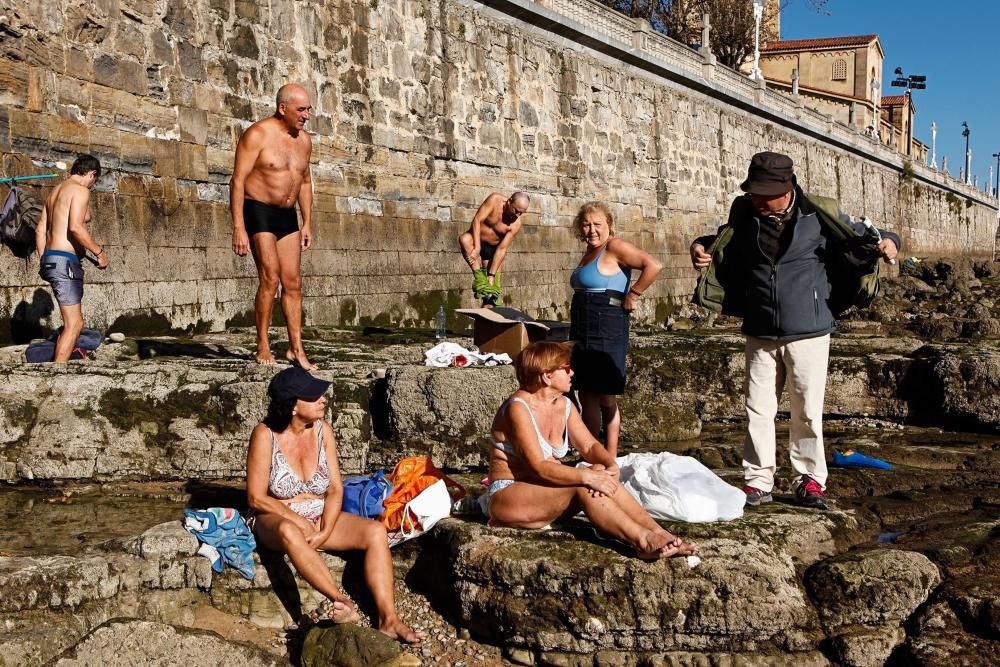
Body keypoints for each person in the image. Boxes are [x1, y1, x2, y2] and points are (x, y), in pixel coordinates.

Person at [690, 151, 900, 510]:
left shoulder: (818, 214)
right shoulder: (744, 213)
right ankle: (757, 481)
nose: (756, 199)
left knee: (806, 410)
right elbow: (722, 242)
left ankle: (810, 480)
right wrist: (700, 245)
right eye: (753, 192)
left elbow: (869, 234)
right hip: (760, 327)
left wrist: (892, 241)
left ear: (786, 189)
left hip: (810, 329)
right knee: (757, 408)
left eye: (763, 193)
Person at [246, 367, 425, 643]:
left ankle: (389, 619)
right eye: (313, 395)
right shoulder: (264, 434)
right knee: (289, 531)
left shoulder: (322, 431)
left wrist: (326, 530)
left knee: (376, 532)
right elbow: (257, 497)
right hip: (275, 515)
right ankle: (342, 602)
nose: (323, 398)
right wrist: (298, 521)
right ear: (293, 405)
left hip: (319, 513)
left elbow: (334, 489)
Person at [485, 341, 695, 559]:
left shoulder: (564, 405)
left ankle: (659, 533)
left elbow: (589, 445)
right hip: (509, 493)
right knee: (586, 483)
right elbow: (538, 466)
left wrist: (610, 463)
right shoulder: (518, 408)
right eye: (566, 368)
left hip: (544, 491)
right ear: (547, 376)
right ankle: (643, 541)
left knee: (596, 470)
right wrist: (588, 476)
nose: (572, 372)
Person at [230, 83, 316, 369]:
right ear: (283, 108)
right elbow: (238, 181)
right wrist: (238, 227)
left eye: (308, 109)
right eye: (301, 109)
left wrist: (307, 223)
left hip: (286, 214)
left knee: (293, 282)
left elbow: (304, 181)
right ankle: (263, 345)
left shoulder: (304, 141)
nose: (306, 115)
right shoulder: (258, 134)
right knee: (271, 277)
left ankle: (296, 349)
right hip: (258, 209)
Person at [569, 201, 662, 458]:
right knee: (586, 392)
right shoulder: (589, 250)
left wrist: (633, 294)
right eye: (586, 224)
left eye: (597, 224)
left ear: (609, 225)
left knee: (606, 394)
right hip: (583, 322)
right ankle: (592, 454)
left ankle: (608, 454)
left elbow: (653, 265)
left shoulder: (614, 246)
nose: (591, 230)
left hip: (607, 322)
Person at [34, 154, 108, 362]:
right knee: (74, 324)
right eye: (95, 180)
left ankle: (60, 367)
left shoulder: (55, 193)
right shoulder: (80, 190)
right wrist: (99, 252)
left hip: (50, 259)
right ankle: (58, 375)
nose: (92, 186)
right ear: (92, 174)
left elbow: (40, 230)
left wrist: (44, 259)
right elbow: (76, 227)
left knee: (74, 323)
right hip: (65, 262)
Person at [457, 191, 529, 306]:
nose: (517, 215)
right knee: (464, 239)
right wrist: (477, 248)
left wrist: (491, 275)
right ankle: (479, 278)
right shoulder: (495, 200)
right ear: (509, 201)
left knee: (490, 294)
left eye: (521, 213)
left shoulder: (516, 224)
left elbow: (501, 249)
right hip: (476, 240)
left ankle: (490, 313)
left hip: (493, 250)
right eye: (516, 210)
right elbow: (477, 220)